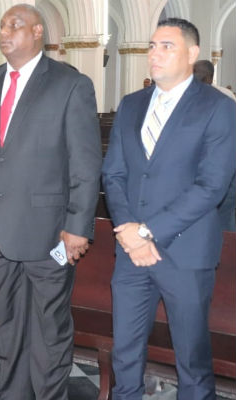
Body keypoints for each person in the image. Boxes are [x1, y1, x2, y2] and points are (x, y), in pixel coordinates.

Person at [0, 4, 101, 399]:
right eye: (2, 26)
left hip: (48, 233)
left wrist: (77, 226)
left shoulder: (69, 84)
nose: (5, 32)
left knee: (49, 329)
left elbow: (85, 163)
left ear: (38, 32)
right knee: (7, 326)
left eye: (15, 25)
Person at [102, 18, 236, 399]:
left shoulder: (216, 108)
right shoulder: (132, 104)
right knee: (125, 353)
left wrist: (148, 231)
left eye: (167, 46)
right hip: (130, 252)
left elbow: (211, 186)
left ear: (192, 54)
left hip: (185, 252)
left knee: (191, 360)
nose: (155, 54)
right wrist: (129, 229)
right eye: (152, 46)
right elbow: (114, 173)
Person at [193, 60, 236, 232]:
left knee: (224, 211)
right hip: (225, 164)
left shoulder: (191, 96)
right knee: (225, 213)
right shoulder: (227, 96)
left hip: (212, 165)